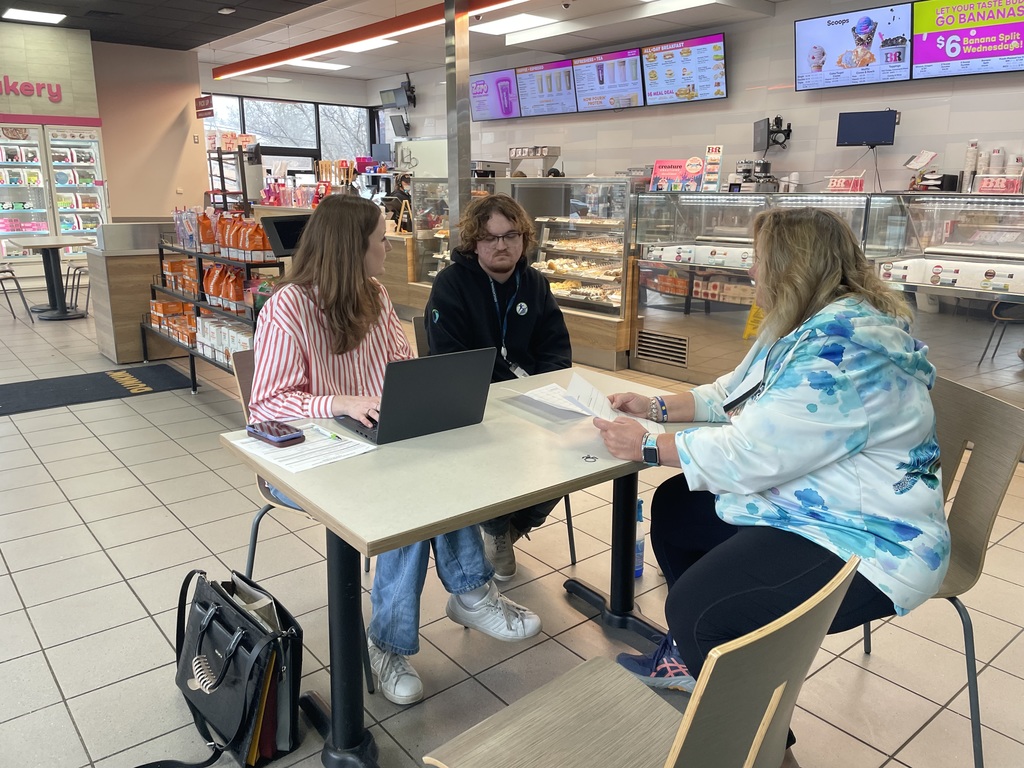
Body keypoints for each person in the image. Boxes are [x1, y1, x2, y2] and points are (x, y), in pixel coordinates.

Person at [594, 207, 950, 767]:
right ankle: (706, 660)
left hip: (871, 541)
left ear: (791, 269)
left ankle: (766, 749)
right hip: (817, 505)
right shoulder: (803, 324)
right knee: (679, 506)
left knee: (700, 610)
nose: (751, 272)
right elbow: (732, 394)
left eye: (759, 260)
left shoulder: (843, 354)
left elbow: (751, 453)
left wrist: (648, 445)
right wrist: (656, 405)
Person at [249, 194, 542, 706]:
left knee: (435, 472)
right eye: (380, 240)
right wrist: (341, 401)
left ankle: (449, 608)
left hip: (374, 444)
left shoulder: (376, 295)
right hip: (306, 459)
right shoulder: (287, 307)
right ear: (350, 248)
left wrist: (421, 395)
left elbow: (404, 365)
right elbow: (266, 405)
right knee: (406, 497)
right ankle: (425, 622)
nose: (388, 247)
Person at [425, 193, 572, 579]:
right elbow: (450, 360)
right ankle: (494, 525)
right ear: (474, 242)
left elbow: (556, 350)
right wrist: (509, 396)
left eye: (510, 236)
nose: (501, 245)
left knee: (579, 449)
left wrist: (547, 392)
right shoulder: (451, 284)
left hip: (535, 399)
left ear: (524, 238)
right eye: (490, 237)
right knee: (495, 449)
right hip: (478, 405)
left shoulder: (535, 283)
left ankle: (511, 525)